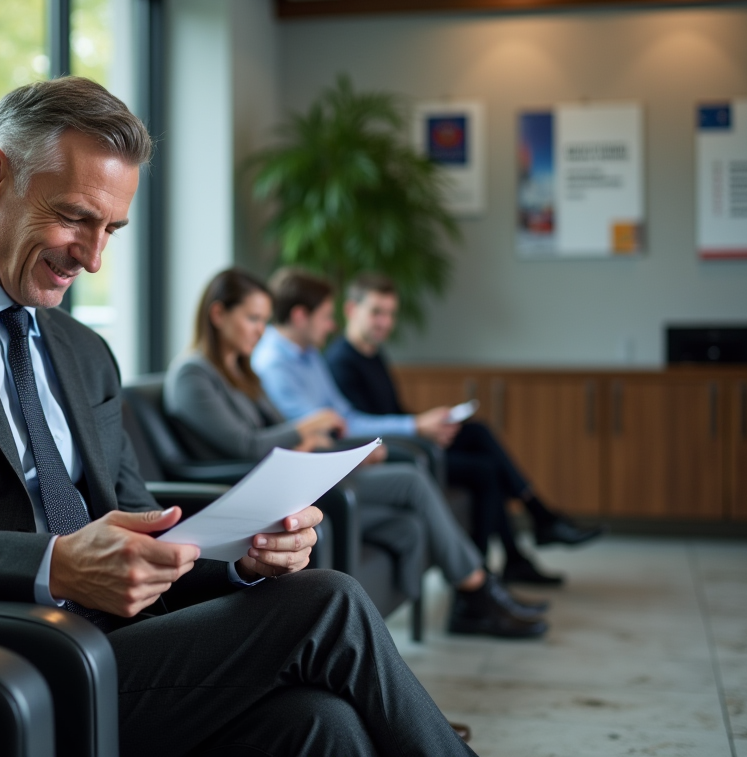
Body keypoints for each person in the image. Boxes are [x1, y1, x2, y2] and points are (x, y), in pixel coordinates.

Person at [0, 77, 478, 756]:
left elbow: (145, 523)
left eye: (110, 228)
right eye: (75, 218)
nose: (93, 258)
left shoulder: (84, 352)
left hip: (114, 643)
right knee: (329, 602)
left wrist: (241, 559)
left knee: (322, 724)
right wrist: (54, 565)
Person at [166, 267, 547, 639]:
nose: (261, 330)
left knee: (405, 525)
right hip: (256, 494)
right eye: (253, 319)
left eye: (264, 320)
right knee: (410, 482)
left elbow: (276, 434)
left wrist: (316, 441)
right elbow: (248, 445)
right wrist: (310, 427)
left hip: (285, 483)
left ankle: (403, 621)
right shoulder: (192, 375)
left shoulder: (242, 373)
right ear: (218, 314)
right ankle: (476, 591)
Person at [324, 273, 606, 585]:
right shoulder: (340, 362)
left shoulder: (374, 354)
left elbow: (393, 411)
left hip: (407, 440)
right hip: (393, 452)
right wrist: (419, 428)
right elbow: (361, 426)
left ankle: (530, 531)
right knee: (485, 471)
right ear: (351, 310)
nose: (385, 322)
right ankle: (494, 567)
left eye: (391, 314)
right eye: (377, 312)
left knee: (477, 432)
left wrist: (432, 425)